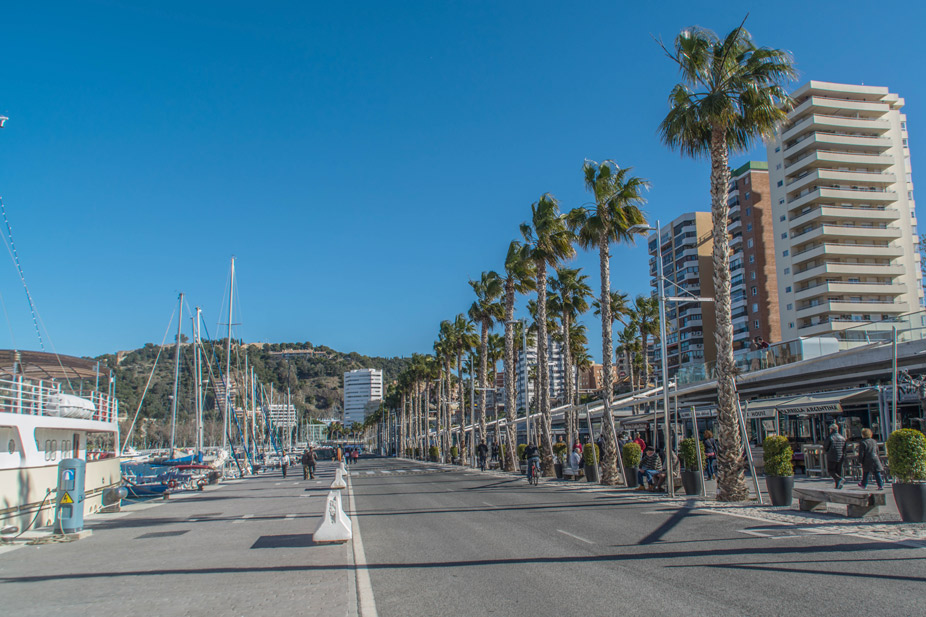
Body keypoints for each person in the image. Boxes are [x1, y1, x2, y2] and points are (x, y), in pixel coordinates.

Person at [823, 423, 847, 489]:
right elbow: (844, 448)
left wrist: (827, 451)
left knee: (831, 470)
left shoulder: (830, 437)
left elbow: (826, 446)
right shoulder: (842, 438)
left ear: (832, 429)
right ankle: (838, 485)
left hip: (832, 456)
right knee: (838, 471)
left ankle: (839, 479)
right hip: (840, 456)